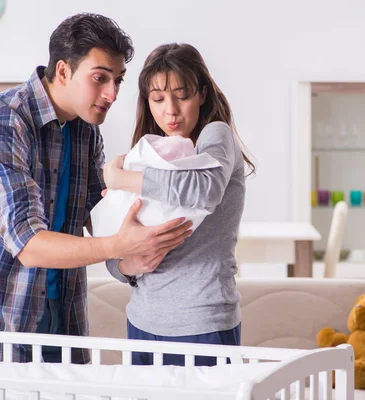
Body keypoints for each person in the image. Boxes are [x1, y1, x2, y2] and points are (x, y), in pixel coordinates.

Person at [0, 13, 192, 364]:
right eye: (100, 78)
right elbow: (28, 244)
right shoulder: (0, 122)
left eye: (118, 80)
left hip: (61, 323)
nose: (111, 94)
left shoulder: (84, 131)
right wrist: (118, 245)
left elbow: (100, 216)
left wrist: (148, 216)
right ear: (63, 71)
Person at [104, 43, 256, 366]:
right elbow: (113, 248)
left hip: (203, 324)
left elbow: (204, 190)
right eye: (158, 100)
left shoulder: (216, 137)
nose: (170, 111)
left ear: (201, 94)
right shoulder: (150, 152)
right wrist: (130, 267)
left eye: (181, 95)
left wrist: (118, 180)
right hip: (142, 321)